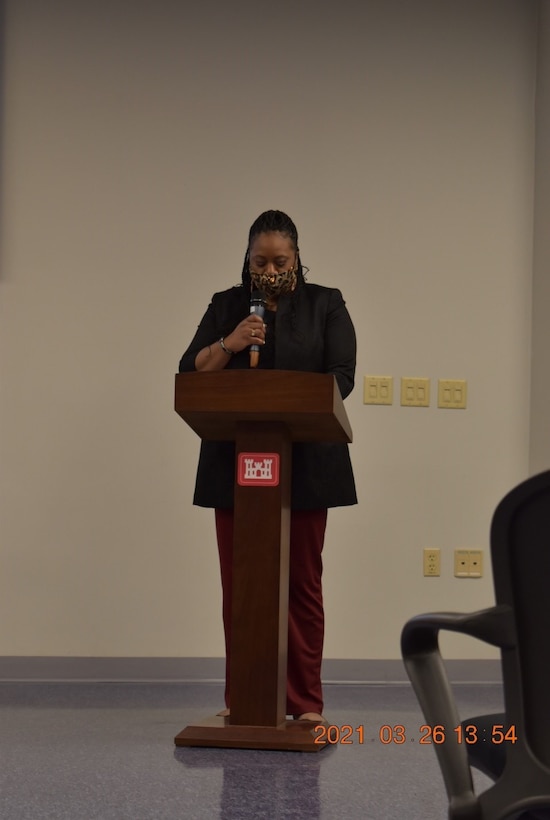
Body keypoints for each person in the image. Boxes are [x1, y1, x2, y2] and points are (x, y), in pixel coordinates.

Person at [178, 209, 357, 722]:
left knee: (302, 584)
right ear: (247, 257)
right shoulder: (226, 305)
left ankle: (305, 705)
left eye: (281, 260)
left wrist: (292, 401)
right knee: (241, 586)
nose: (271, 269)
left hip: (307, 464)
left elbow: (340, 376)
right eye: (261, 260)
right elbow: (193, 370)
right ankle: (246, 701)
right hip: (233, 465)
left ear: (298, 257)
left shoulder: (327, 303)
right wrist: (231, 342)